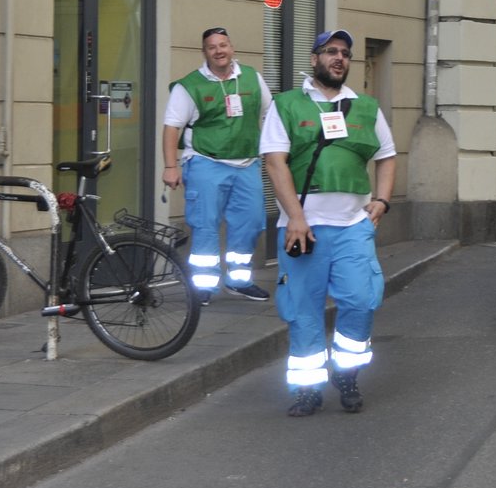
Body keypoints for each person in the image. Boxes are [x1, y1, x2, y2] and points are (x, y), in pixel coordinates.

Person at [261, 29, 396, 417]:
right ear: (314, 59)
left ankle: (347, 372)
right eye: (331, 52)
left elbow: (387, 156)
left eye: (345, 54)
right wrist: (296, 218)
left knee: (361, 300)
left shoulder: (366, 107)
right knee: (304, 309)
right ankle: (307, 389)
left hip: (354, 225)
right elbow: (275, 162)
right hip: (305, 228)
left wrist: (382, 200)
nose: (339, 58)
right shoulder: (286, 105)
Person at [162, 26, 274, 303]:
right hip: (205, 162)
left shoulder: (252, 78)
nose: (219, 51)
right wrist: (170, 166)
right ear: (205, 53)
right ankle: (203, 285)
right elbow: (171, 128)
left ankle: (239, 280)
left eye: (223, 45)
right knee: (206, 226)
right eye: (212, 47)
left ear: (232, 48)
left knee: (249, 224)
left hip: (247, 163)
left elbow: (271, 115)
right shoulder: (189, 86)